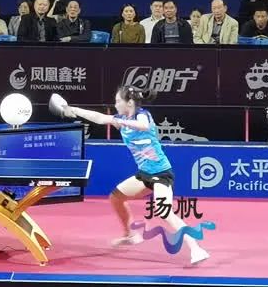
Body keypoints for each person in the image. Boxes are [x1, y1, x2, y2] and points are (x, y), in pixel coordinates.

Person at [56, 86, 210, 265]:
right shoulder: (120, 119)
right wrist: (72, 109)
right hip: (144, 175)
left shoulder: (143, 115)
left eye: (117, 101)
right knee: (116, 197)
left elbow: (143, 125)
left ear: (129, 103)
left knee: (165, 212)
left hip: (161, 174)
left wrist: (121, 121)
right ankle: (129, 234)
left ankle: (196, 248)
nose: (115, 105)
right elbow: (98, 117)